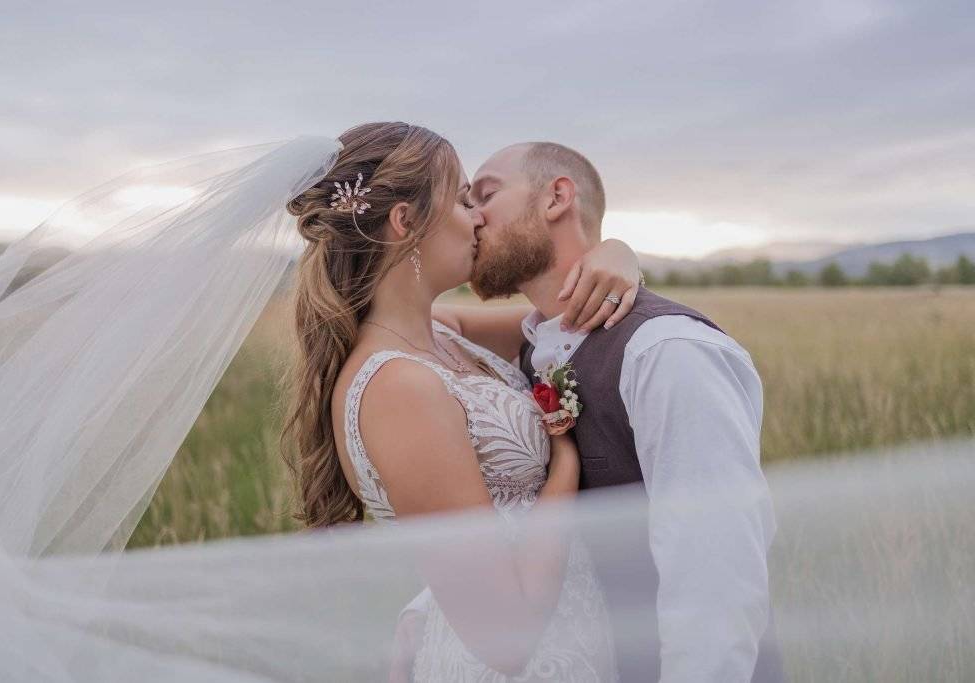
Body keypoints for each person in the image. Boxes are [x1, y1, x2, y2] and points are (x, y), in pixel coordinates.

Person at [283, 121, 644, 681]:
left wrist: (616, 254)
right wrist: (563, 466)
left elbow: (566, 315)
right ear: (405, 222)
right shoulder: (398, 387)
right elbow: (505, 639)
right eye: (459, 198)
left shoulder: (443, 333)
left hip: (578, 645)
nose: (477, 217)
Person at [462, 141, 785, 682]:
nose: (472, 216)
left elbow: (716, 577)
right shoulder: (532, 342)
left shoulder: (668, 352)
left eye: (486, 195)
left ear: (556, 197)